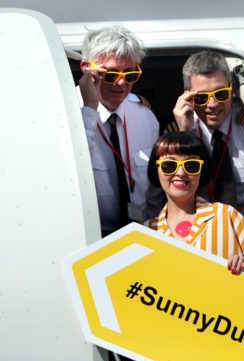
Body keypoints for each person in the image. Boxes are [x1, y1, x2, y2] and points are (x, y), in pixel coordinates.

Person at [145, 132, 244, 282]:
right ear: (156, 169)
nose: (180, 173)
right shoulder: (146, 232)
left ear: (202, 170)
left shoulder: (225, 215)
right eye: (169, 165)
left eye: (191, 165)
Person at [172, 51, 244, 245]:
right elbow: (177, 203)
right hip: (200, 237)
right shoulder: (180, 130)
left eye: (220, 94)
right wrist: (183, 134)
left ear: (232, 90)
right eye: (202, 97)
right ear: (187, 96)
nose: (212, 104)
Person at [78, 25, 162, 237]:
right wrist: (89, 109)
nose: (122, 82)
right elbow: (74, 168)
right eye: (111, 73)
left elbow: (154, 188)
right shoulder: (68, 113)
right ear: (87, 69)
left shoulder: (144, 117)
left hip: (141, 235)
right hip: (91, 240)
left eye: (130, 74)